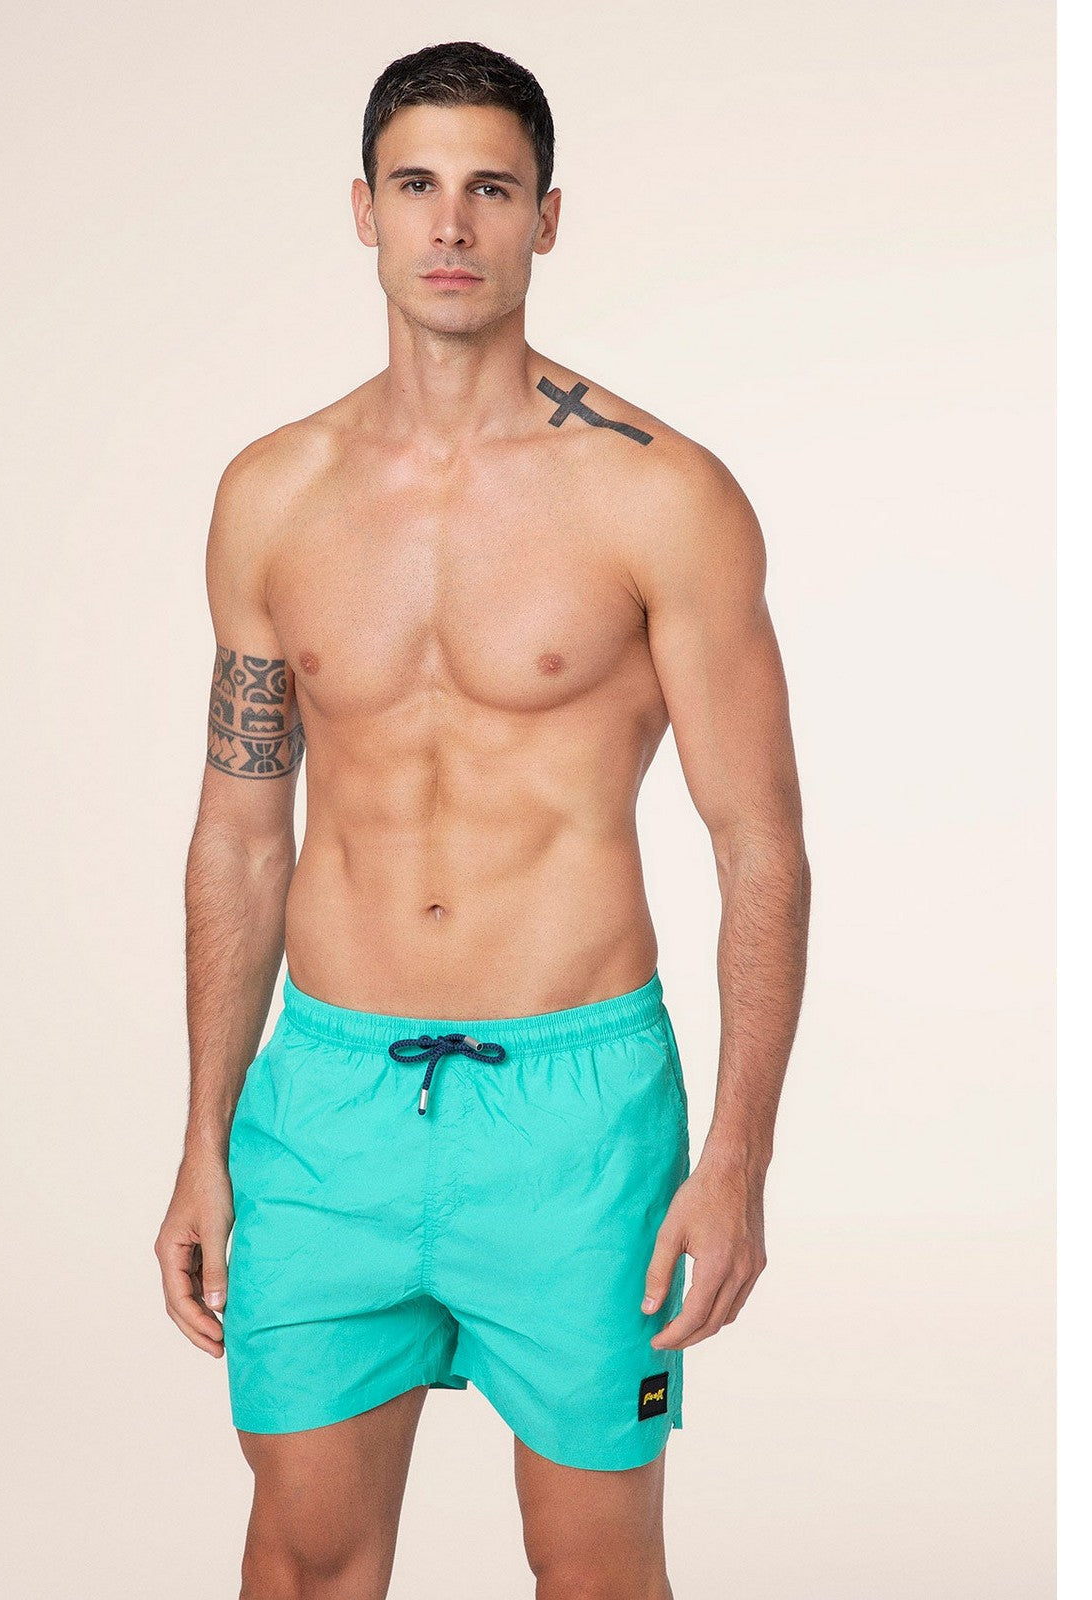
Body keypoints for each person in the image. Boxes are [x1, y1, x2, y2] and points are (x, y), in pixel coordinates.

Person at [154, 38, 810, 1600]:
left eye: (492, 190)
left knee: (592, 1572)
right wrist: (202, 1139)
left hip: (577, 1117)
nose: (451, 225)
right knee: (305, 1560)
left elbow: (759, 849)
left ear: (547, 219)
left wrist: (737, 1161)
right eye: (417, 185)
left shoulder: (662, 496)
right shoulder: (272, 495)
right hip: (328, 1107)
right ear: (364, 212)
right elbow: (241, 834)